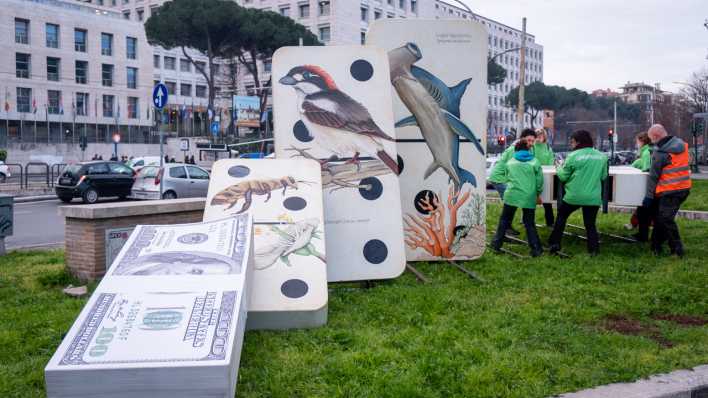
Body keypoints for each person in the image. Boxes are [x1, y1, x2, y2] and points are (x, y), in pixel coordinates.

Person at [548, 130, 608, 256]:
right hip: (593, 197)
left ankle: (554, 243)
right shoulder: (602, 157)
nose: (571, 144)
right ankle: (594, 251)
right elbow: (603, 176)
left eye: (572, 142)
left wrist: (558, 166)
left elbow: (563, 177)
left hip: (573, 196)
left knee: (561, 217)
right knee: (590, 224)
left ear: (578, 142)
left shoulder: (573, 156)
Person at [642, 124, 691, 257]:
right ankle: (655, 246)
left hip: (669, 191)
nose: (651, 142)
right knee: (661, 218)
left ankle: (677, 249)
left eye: (651, 139)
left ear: (656, 137)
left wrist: (649, 197)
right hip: (684, 188)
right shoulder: (683, 146)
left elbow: (653, 177)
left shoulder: (660, 153)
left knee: (665, 219)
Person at [490, 140, 544, 257]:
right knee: (529, 223)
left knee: (504, 220)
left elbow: (505, 176)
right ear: (528, 150)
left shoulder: (510, 162)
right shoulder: (535, 162)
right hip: (529, 195)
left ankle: (496, 244)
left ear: (516, 150)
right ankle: (536, 249)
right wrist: (537, 193)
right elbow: (540, 181)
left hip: (512, 194)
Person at [488, 129, 537, 235]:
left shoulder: (525, 148)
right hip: (499, 178)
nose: (531, 144)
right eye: (529, 140)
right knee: (511, 203)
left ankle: (506, 228)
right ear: (522, 139)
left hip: (504, 177)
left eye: (533, 141)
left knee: (511, 203)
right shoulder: (514, 149)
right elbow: (513, 169)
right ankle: (504, 230)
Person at [626, 132, 652, 233]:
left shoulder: (646, 153)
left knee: (643, 211)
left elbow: (647, 170)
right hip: (649, 189)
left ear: (642, 141)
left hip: (646, 189)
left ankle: (643, 235)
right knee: (642, 211)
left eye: (637, 141)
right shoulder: (646, 151)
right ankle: (641, 233)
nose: (637, 144)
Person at [533, 128, 555, 226]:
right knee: (530, 201)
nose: (539, 137)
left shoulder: (548, 147)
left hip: (546, 177)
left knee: (547, 202)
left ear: (544, 136)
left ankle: (550, 222)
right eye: (537, 135)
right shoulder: (532, 147)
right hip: (534, 176)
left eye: (541, 135)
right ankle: (528, 222)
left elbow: (551, 160)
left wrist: (548, 170)